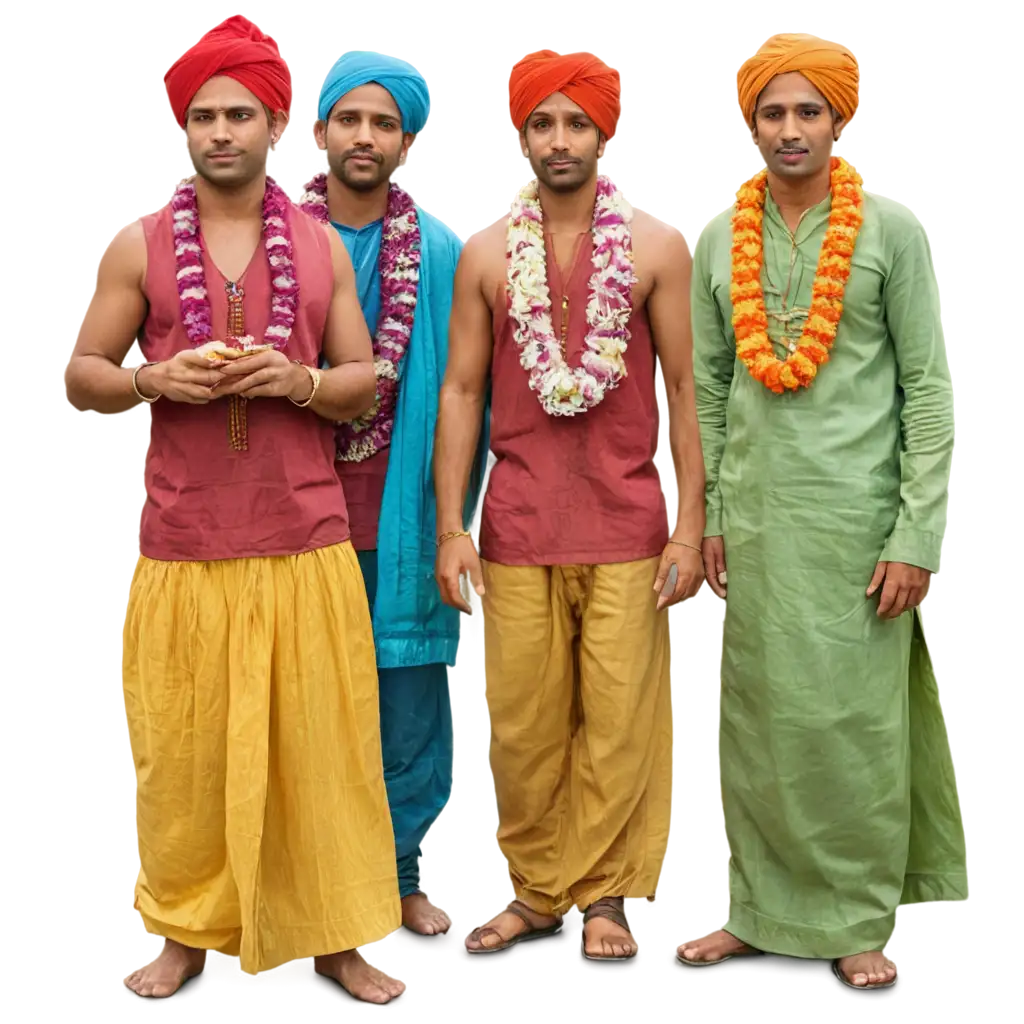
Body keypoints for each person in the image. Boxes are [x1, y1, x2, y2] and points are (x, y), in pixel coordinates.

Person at [63, 14, 407, 1005]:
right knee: (183, 755)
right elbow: (84, 375)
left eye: (241, 113)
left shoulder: (319, 244)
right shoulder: (137, 243)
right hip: (185, 543)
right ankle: (184, 932)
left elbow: (361, 377)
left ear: (274, 126)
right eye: (205, 114)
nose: (222, 130)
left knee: (325, 754)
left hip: (304, 538)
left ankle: (338, 936)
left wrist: (297, 384)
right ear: (184, 128)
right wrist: (155, 379)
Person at [673, 34, 966, 992]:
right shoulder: (720, 239)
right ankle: (756, 914)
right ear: (750, 125)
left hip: (859, 526)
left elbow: (927, 388)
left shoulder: (893, 230)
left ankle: (852, 917)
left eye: (808, 112)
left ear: (840, 121)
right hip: (756, 524)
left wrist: (916, 531)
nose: (790, 130)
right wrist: (711, 512)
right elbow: (709, 386)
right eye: (773, 112)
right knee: (760, 721)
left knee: (851, 725)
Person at [432, 48, 706, 963]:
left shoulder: (659, 246)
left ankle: (606, 898)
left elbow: (681, 392)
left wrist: (691, 521)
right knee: (522, 724)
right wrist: (452, 528)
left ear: (601, 134)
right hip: (514, 525)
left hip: (628, 525)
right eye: (542, 123)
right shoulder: (482, 251)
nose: (558, 140)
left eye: (575, 123)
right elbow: (463, 393)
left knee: (619, 719)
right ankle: (536, 893)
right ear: (520, 135)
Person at [296, 49, 475, 939]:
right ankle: (300, 882)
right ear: (320, 129)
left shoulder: (440, 251)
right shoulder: (269, 239)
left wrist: (453, 526)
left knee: (404, 703)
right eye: (349, 119)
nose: (364, 137)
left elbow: (462, 392)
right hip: (291, 514)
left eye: (383, 123)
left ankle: (400, 878)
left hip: (395, 514)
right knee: (300, 700)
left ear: (407, 140)